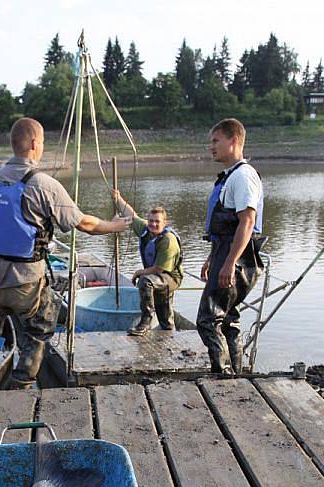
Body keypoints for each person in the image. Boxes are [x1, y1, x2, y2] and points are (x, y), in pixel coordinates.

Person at [0, 117, 130, 391]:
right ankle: (21, 385)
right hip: (25, 282)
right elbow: (85, 224)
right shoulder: (43, 184)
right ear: (34, 144)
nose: (42, 147)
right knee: (39, 329)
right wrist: (114, 225)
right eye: (42, 142)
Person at [197, 117, 265, 375]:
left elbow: (247, 223)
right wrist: (212, 258)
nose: (211, 146)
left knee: (207, 319)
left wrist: (230, 263)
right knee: (226, 319)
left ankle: (222, 374)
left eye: (216, 141)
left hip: (238, 257)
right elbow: (224, 227)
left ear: (233, 140)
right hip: (227, 252)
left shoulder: (244, 176)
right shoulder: (231, 176)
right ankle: (235, 373)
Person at [112, 192, 183, 334]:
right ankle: (169, 333)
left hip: (170, 277)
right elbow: (132, 216)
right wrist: (118, 198)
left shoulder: (168, 241)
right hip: (156, 276)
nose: (153, 224)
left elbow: (159, 269)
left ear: (165, 223)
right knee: (165, 316)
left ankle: (145, 322)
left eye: (157, 221)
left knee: (145, 281)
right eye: (151, 221)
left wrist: (138, 273)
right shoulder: (146, 229)